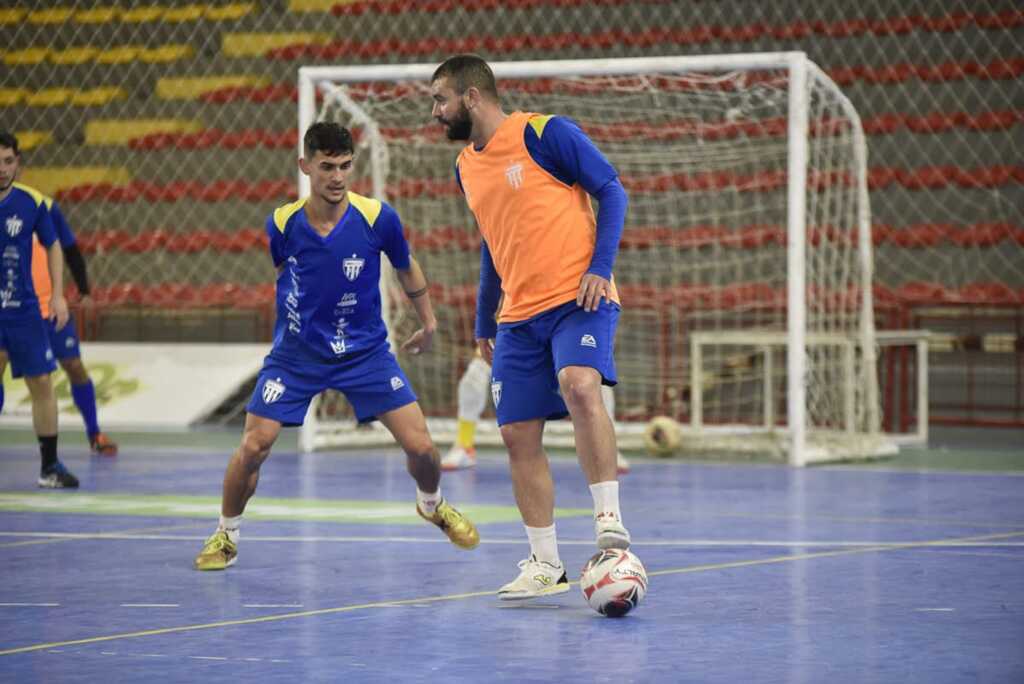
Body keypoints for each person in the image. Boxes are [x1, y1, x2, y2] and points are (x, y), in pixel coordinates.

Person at [194, 122, 479, 571]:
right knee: (253, 446)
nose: (338, 176)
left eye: (345, 166)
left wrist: (428, 320)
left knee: (423, 448)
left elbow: (407, 267)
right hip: (296, 358)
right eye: (327, 166)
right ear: (305, 166)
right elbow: (283, 276)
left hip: (365, 354)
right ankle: (226, 534)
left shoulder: (377, 218)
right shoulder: (282, 223)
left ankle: (432, 503)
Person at [430, 55, 631, 600]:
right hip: (516, 317)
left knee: (580, 385)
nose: (436, 112)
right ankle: (546, 565)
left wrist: (600, 268)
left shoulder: (546, 133)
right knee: (517, 434)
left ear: (472, 97)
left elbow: (613, 191)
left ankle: (609, 522)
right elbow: (494, 242)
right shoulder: (465, 167)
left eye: (441, 100)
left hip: (577, 296)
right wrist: (483, 317)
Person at [0, 131, 78, 488]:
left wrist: (58, 296)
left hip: (24, 311)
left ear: (18, 162)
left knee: (42, 383)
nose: (2, 169)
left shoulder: (33, 203)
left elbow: (54, 245)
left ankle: (49, 467)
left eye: (8, 161)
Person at [442, 349, 631, 474]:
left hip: (566, 320)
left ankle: (609, 448)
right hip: (522, 320)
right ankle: (463, 445)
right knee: (475, 374)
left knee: (595, 377)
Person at [30, 197, 118, 456]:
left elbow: (69, 249)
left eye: (9, 161)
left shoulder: (41, 205)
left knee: (74, 366)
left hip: (50, 308)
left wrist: (84, 291)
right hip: (10, 311)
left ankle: (95, 433)